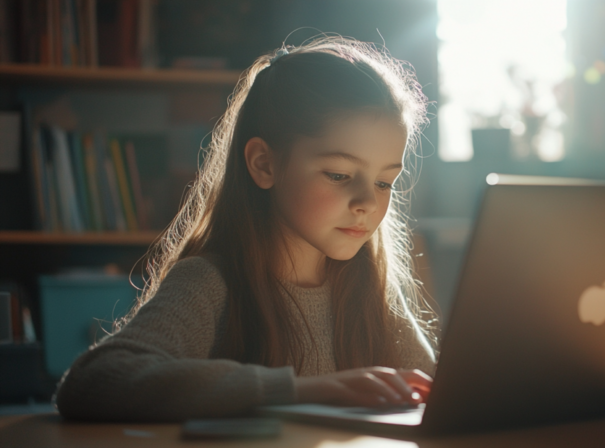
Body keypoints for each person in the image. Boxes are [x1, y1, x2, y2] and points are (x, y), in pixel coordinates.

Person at [55, 36, 438, 422]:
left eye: (384, 182)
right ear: (263, 164)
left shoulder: (368, 286)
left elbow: (440, 391)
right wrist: (302, 391)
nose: (368, 203)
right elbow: (95, 380)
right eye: (339, 174)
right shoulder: (210, 281)